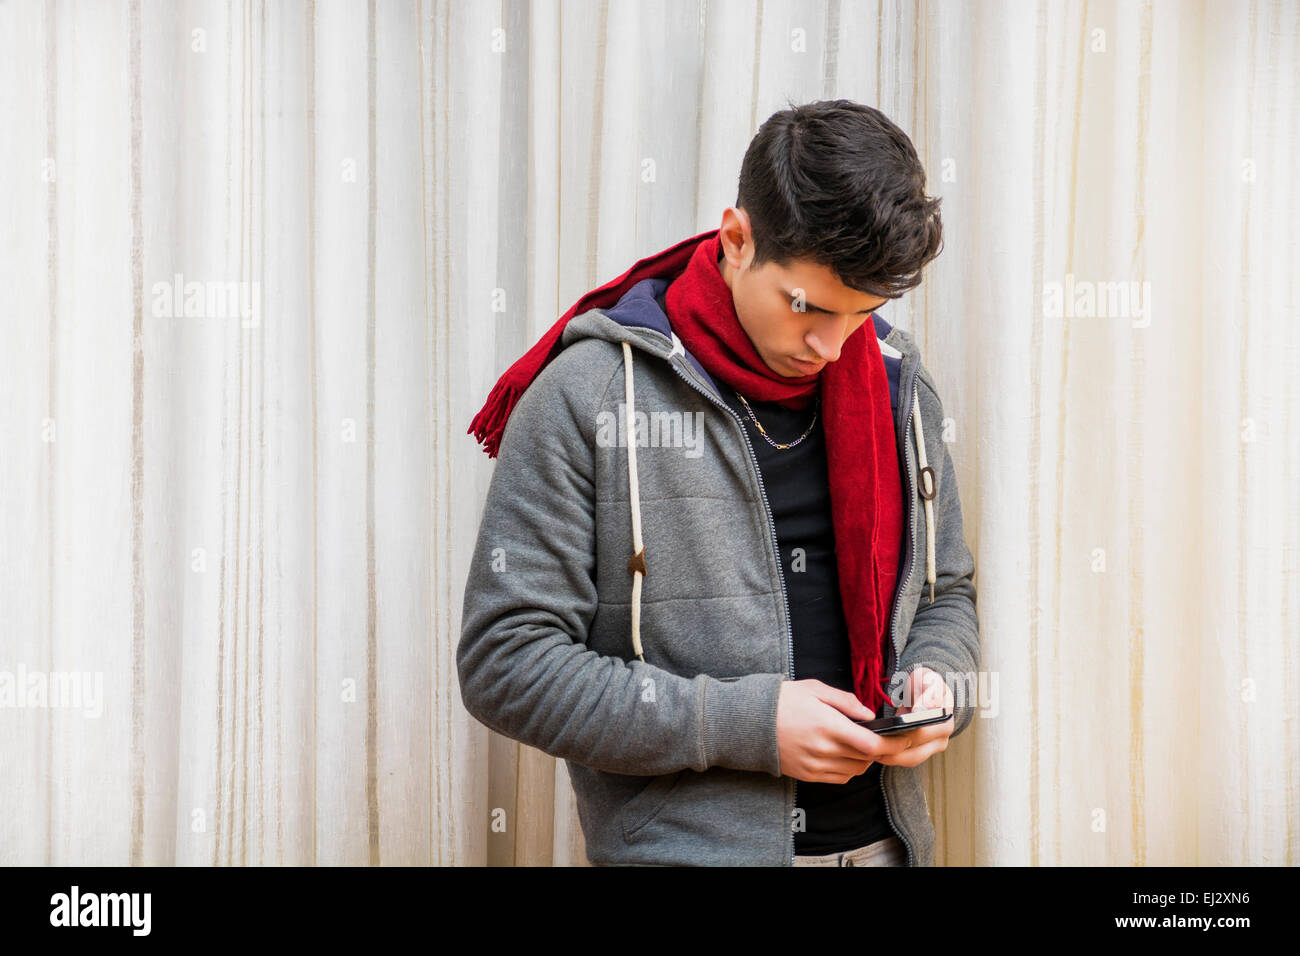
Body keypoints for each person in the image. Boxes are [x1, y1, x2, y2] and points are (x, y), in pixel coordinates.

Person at [458, 98, 980, 866]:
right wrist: (748, 723)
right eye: (807, 306)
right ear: (737, 239)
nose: (833, 346)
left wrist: (941, 685)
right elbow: (506, 663)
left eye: (861, 312)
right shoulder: (588, 397)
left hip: (888, 849)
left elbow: (947, 597)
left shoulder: (901, 387)